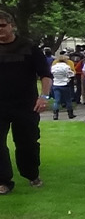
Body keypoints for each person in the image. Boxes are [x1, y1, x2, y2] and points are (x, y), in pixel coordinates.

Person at [0, 10, 51, 193]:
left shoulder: (28, 47)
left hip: (25, 104)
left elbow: (45, 74)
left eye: (2, 26)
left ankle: (31, 174)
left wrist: (44, 97)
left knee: (27, 143)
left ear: (11, 25)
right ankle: (3, 181)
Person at [48, 51, 77, 119]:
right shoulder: (66, 67)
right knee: (68, 100)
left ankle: (55, 114)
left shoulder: (54, 67)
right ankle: (70, 114)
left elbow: (51, 73)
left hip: (56, 84)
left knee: (57, 100)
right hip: (65, 84)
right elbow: (71, 74)